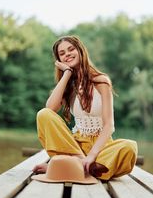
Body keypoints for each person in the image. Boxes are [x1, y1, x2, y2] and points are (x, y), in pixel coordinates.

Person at [33, 35, 137, 180]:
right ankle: (81, 165)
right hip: (75, 146)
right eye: (62, 53)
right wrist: (67, 73)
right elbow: (50, 108)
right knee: (43, 114)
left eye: (71, 49)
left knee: (129, 147)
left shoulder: (101, 81)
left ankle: (69, 166)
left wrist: (92, 155)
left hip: (100, 148)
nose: (67, 54)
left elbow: (109, 125)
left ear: (80, 51)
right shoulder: (68, 85)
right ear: (59, 60)